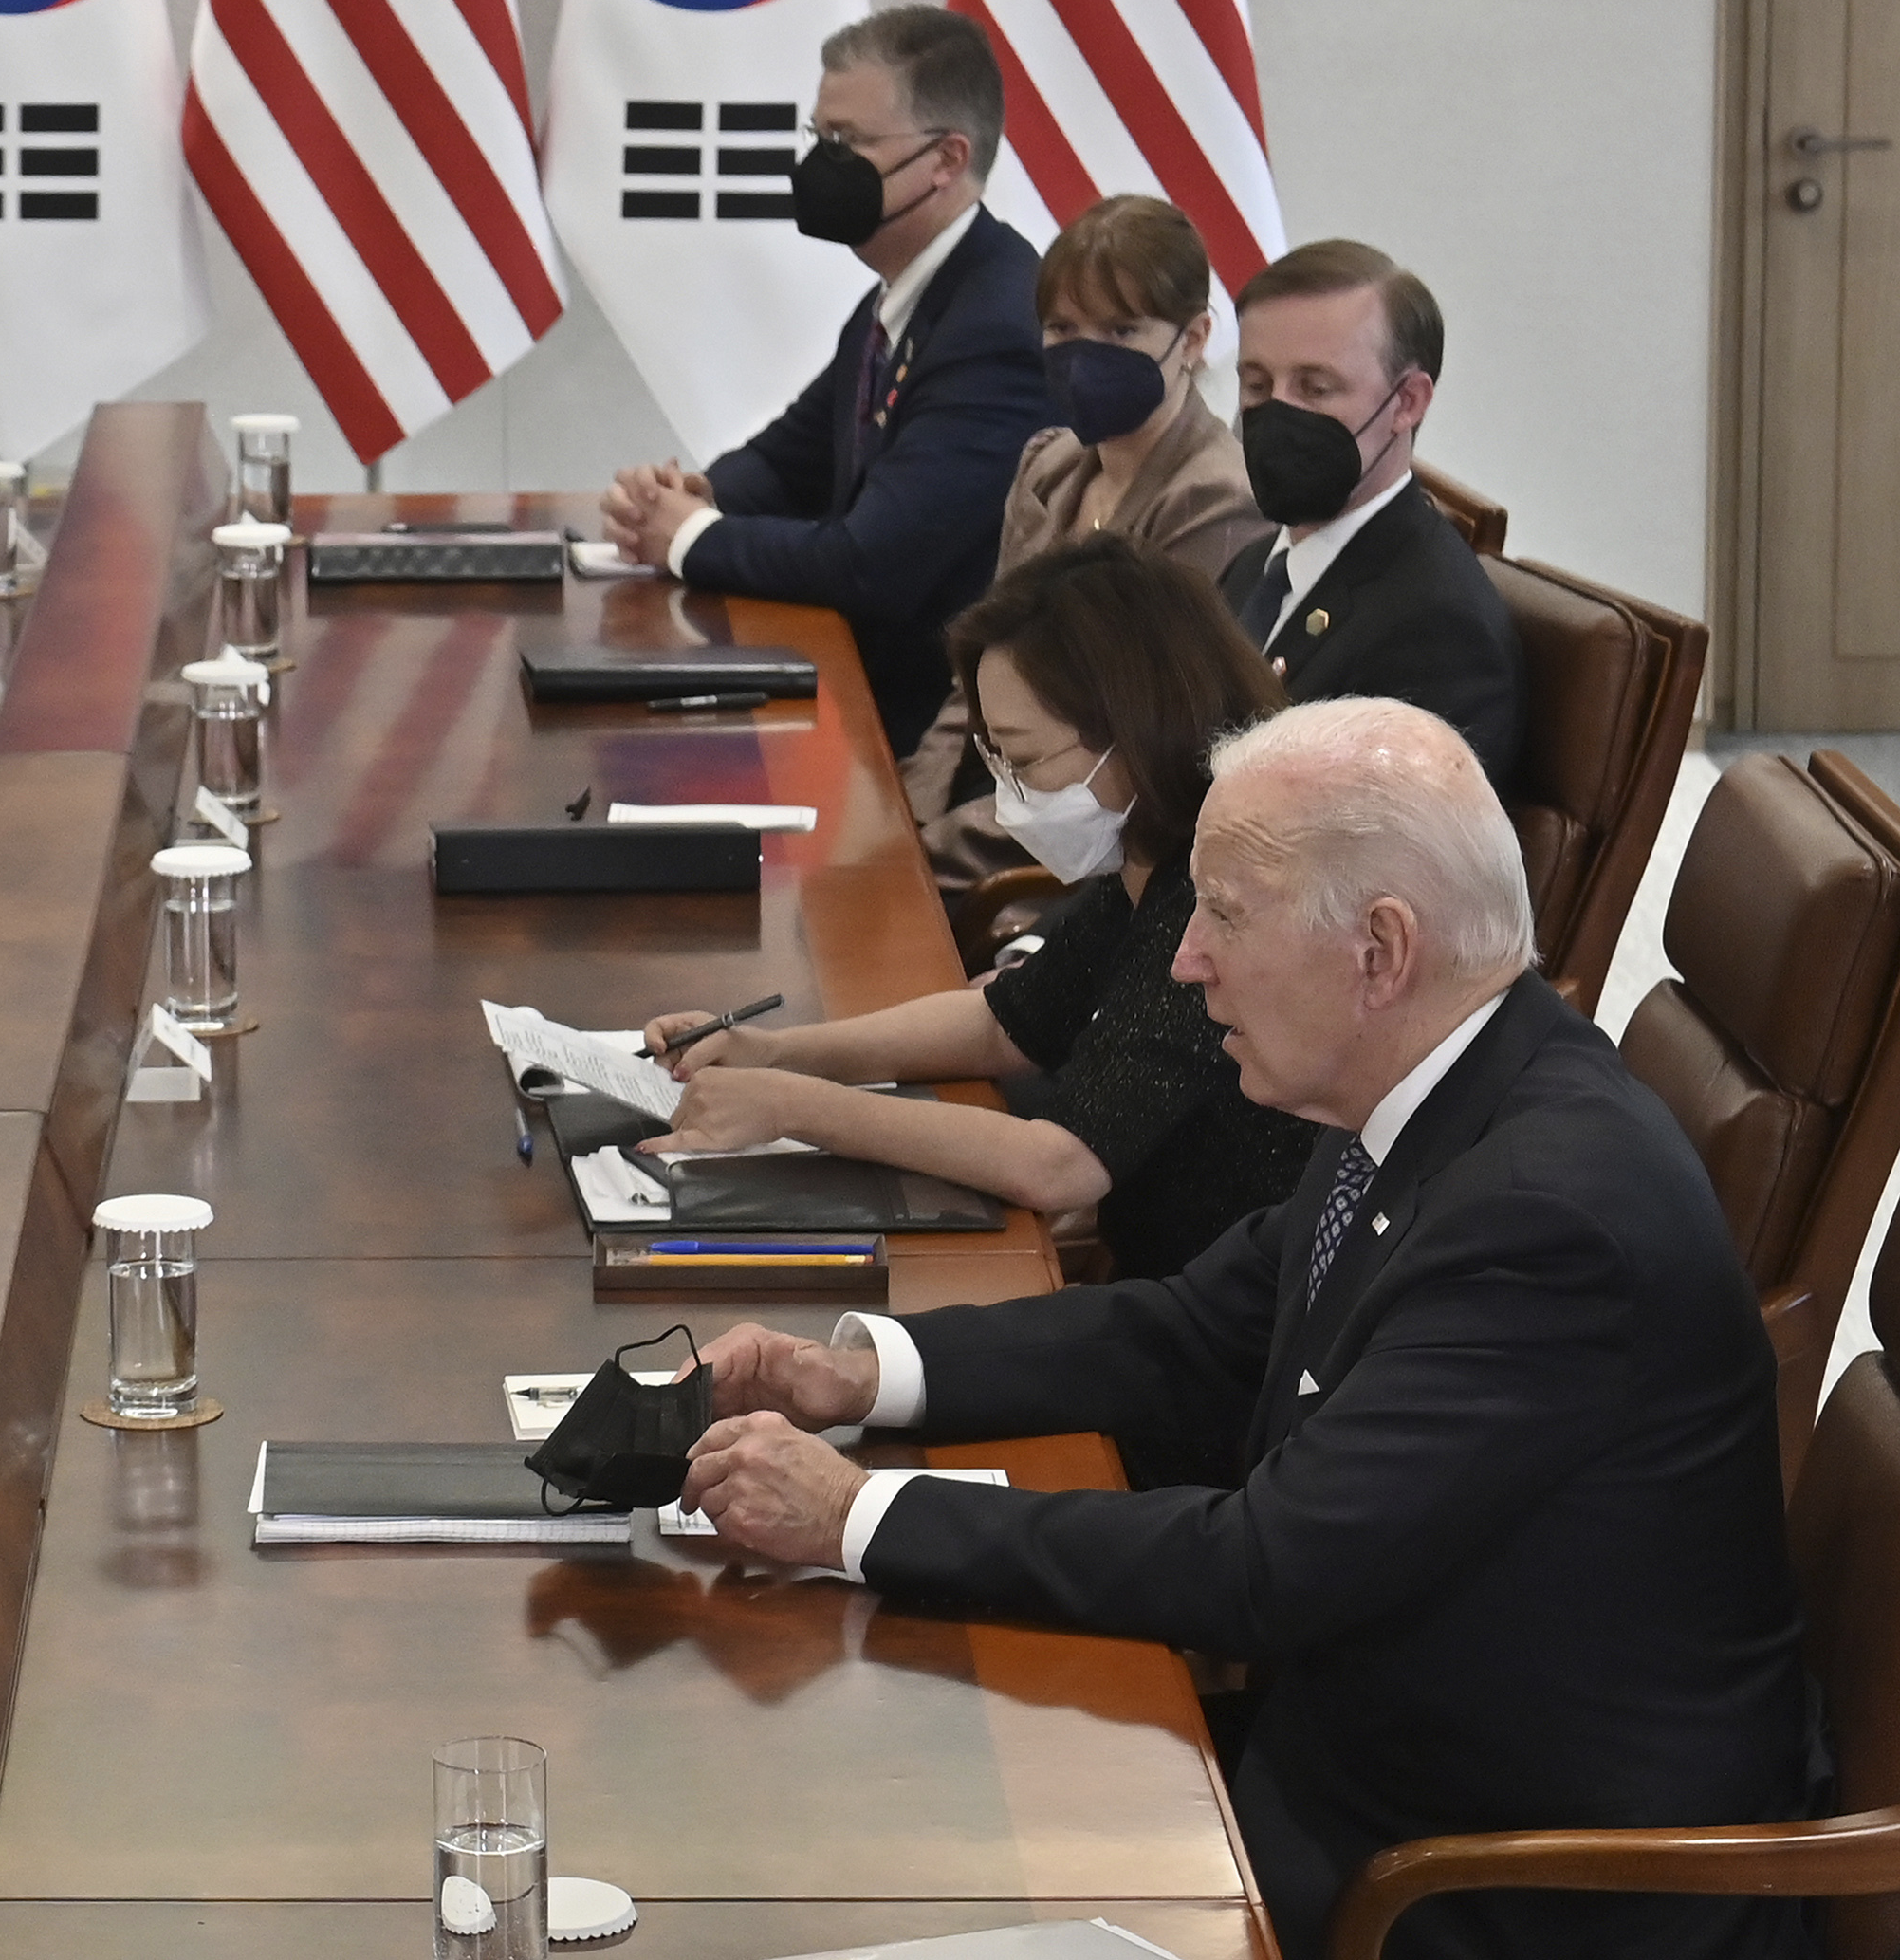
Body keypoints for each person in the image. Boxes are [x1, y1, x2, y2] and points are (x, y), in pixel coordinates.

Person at [678, 698, 1813, 1960]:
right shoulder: (1427, 1090)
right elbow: (1189, 1329)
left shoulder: (1549, 1221)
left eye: (1226, 911)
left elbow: (1263, 1566)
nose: (1184, 959)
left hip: (1496, 1882)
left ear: (1379, 950)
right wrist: (855, 1374)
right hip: (1351, 1760)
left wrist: (852, 1518)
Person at [645, 535, 1307, 1282]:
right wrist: (778, 1051)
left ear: (1133, 729)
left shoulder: (1216, 896)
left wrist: (794, 1108)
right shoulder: (1152, 859)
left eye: (1023, 762)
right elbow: (1007, 1023)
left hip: (1220, 1318)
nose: (1008, 797)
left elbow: (1060, 1165)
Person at [600, 6, 1061, 743]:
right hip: (851, 700)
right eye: (819, 137)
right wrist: (694, 495)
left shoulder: (996, 328)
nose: (820, 164)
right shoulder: (894, 299)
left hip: (931, 738)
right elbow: (789, 459)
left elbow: (871, 567)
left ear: (946, 160)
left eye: (848, 142)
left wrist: (688, 539)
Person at [897, 194, 1268, 886]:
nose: (1085, 355)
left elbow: (1124, 760)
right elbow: (975, 683)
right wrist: (908, 815)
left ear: (1192, 339)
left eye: (1122, 331)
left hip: (1077, 851)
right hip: (991, 795)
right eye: (1063, 328)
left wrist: (923, 858)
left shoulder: (1215, 501)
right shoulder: (1049, 463)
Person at [1218, 238, 1525, 789]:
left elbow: (1394, 865)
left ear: (1406, 403)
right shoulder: (1252, 568)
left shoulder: (1438, 630)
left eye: (1315, 388)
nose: (1277, 413)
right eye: (1257, 384)